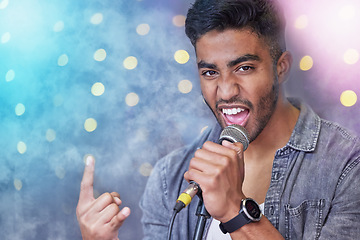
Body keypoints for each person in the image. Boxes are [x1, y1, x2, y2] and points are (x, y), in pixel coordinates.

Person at [76, 0, 360, 239]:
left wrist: (234, 211)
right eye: (210, 72)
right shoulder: (170, 177)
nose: (226, 91)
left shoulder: (347, 165)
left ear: (281, 67)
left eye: (244, 68)